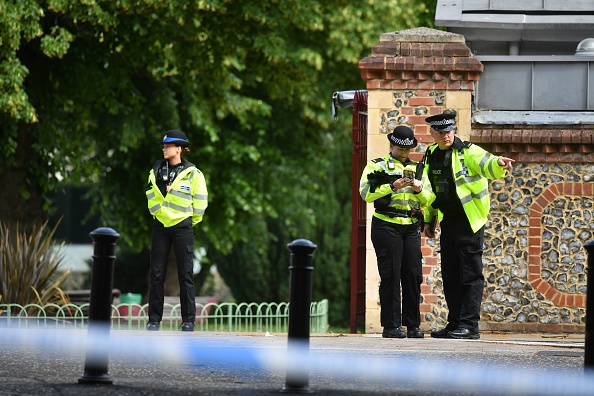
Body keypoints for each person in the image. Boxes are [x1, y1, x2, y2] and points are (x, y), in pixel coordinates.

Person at [421, 112, 514, 340]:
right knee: (451, 275)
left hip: (469, 221)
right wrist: (429, 219)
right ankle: (455, 324)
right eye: (441, 132)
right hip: (449, 221)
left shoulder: (467, 151)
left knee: (471, 275)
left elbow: (487, 163)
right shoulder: (430, 155)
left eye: (449, 131)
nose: (446, 136)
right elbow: (431, 191)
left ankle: (469, 326)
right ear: (432, 133)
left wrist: (499, 164)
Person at [359, 126, 435, 338]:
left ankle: (413, 325)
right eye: (400, 148)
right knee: (391, 274)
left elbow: (430, 199)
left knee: (412, 274)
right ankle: (391, 326)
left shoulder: (418, 169)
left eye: (407, 149)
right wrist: (393, 186)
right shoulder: (377, 166)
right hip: (386, 224)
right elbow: (365, 192)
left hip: (410, 225)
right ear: (391, 145)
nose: (404, 152)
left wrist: (419, 191)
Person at [145, 130, 208, 332]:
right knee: (156, 274)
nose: (164, 149)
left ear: (179, 149)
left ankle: (188, 321)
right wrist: (160, 215)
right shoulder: (155, 170)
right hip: (160, 226)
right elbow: (150, 195)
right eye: (164, 146)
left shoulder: (193, 174)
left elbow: (200, 203)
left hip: (183, 227)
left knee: (186, 275)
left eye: (168, 146)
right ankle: (153, 320)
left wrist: (189, 221)